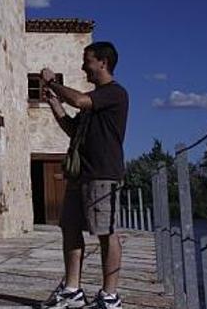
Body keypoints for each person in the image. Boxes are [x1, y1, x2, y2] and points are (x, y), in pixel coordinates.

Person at [40, 42, 129, 309]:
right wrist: (54, 102)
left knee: (106, 233)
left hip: (103, 175)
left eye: (86, 60)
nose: (83, 66)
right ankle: (72, 290)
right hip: (80, 175)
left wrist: (53, 82)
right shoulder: (94, 100)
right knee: (69, 228)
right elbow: (71, 128)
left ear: (102, 62)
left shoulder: (114, 93)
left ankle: (110, 296)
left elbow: (79, 100)